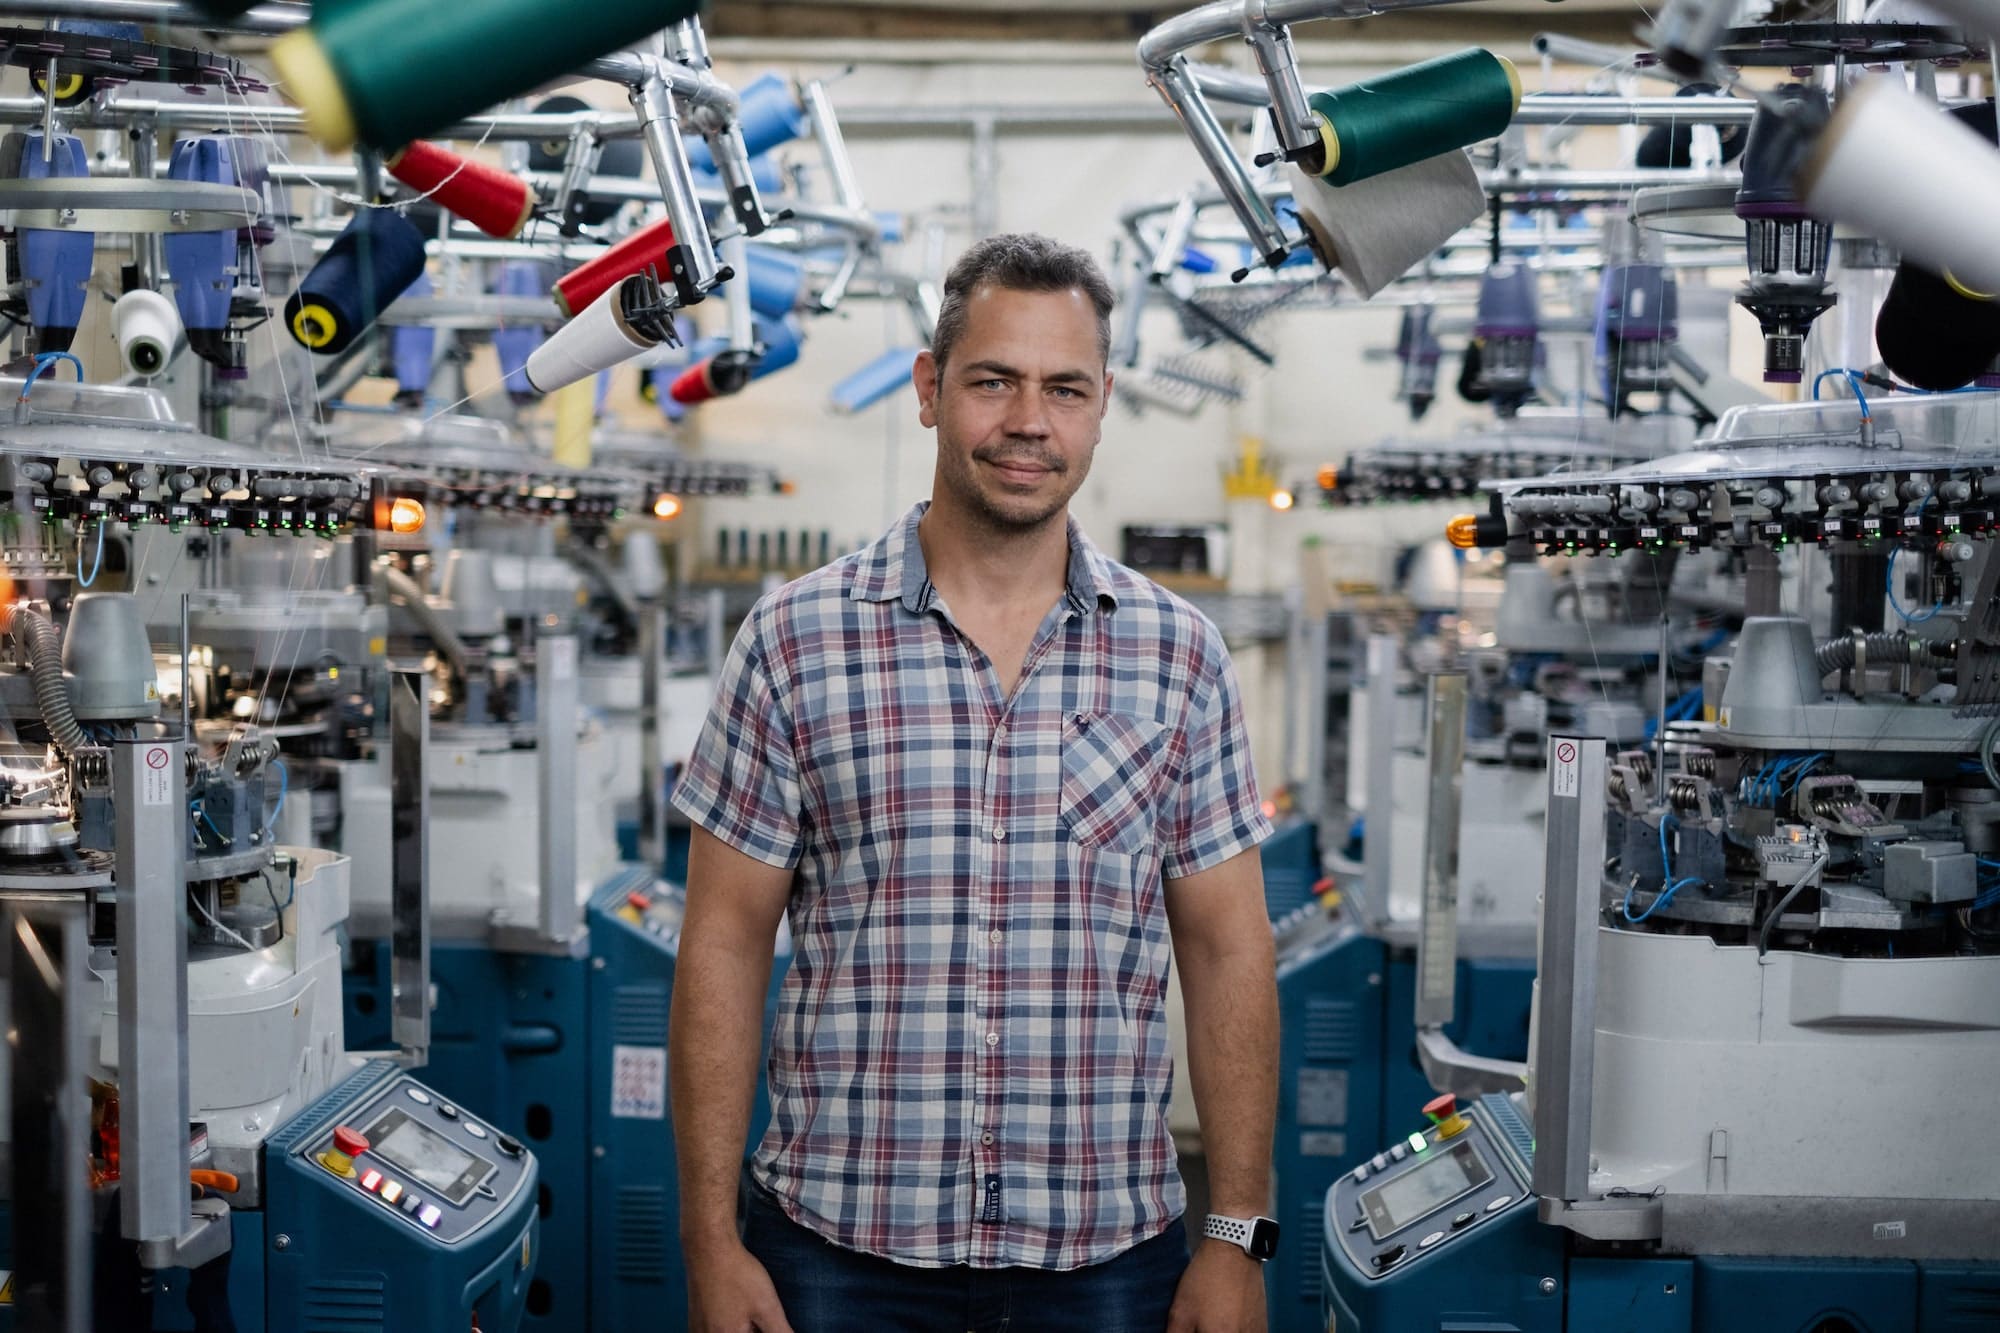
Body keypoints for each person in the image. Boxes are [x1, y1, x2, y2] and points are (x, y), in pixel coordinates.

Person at [669, 232, 1279, 1333]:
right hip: (834, 1250)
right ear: (929, 390)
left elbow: (1227, 946)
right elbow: (720, 940)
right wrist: (710, 1239)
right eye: (992, 381)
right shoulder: (797, 638)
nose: (1026, 422)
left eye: (1064, 388)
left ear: (1099, 409)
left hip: (1102, 1257)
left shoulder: (1175, 653)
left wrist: (1235, 1233)